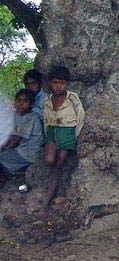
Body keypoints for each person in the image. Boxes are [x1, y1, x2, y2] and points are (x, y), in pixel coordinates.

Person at [42, 65, 85, 208]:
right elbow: (45, 119)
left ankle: (49, 198)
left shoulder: (72, 98)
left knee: (59, 163)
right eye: (55, 82)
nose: (58, 86)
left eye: (62, 83)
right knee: (49, 160)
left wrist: (75, 136)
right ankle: (52, 190)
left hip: (67, 132)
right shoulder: (47, 100)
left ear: (67, 84)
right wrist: (47, 135)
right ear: (50, 83)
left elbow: (81, 116)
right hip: (51, 131)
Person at [0, 89, 44, 178]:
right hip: (18, 150)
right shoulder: (18, 116)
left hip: (27, 154)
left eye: (25, 101)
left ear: (31, 104)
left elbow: (16, 139)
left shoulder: (31, 117)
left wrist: (5, 149)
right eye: (19, 100)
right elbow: (10, 136)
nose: (21, 103)